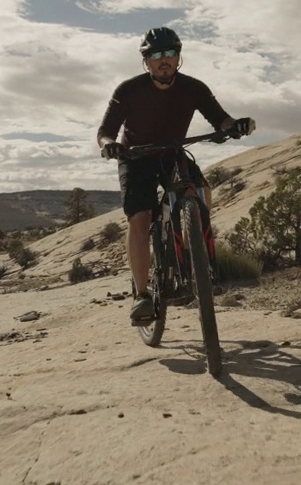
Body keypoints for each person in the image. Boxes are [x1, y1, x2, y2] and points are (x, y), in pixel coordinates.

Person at [96, 27, 255, 324]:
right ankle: (142, 296)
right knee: (140, 217)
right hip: (136, 156)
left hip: (172, 153)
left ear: (179, 57)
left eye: (169, 53)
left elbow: (219, 118)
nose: (163, 60)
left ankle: (199, 259)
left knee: (201, 192)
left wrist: (237, 126)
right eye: (155, 55)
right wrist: (110, 146)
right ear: (146, 62)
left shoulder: (193, 88)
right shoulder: (128, 90)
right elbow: (105, 132)